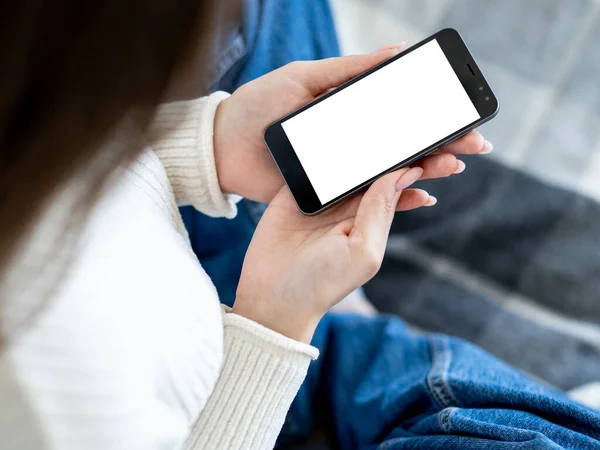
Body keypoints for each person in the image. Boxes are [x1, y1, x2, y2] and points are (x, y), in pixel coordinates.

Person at [0, 3, 598, 450]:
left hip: (175, 228)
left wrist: (210, 145)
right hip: (235, 376)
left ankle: (339, 338)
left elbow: (44, 160)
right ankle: (332, 349)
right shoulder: (54, 390)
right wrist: (274, 324)